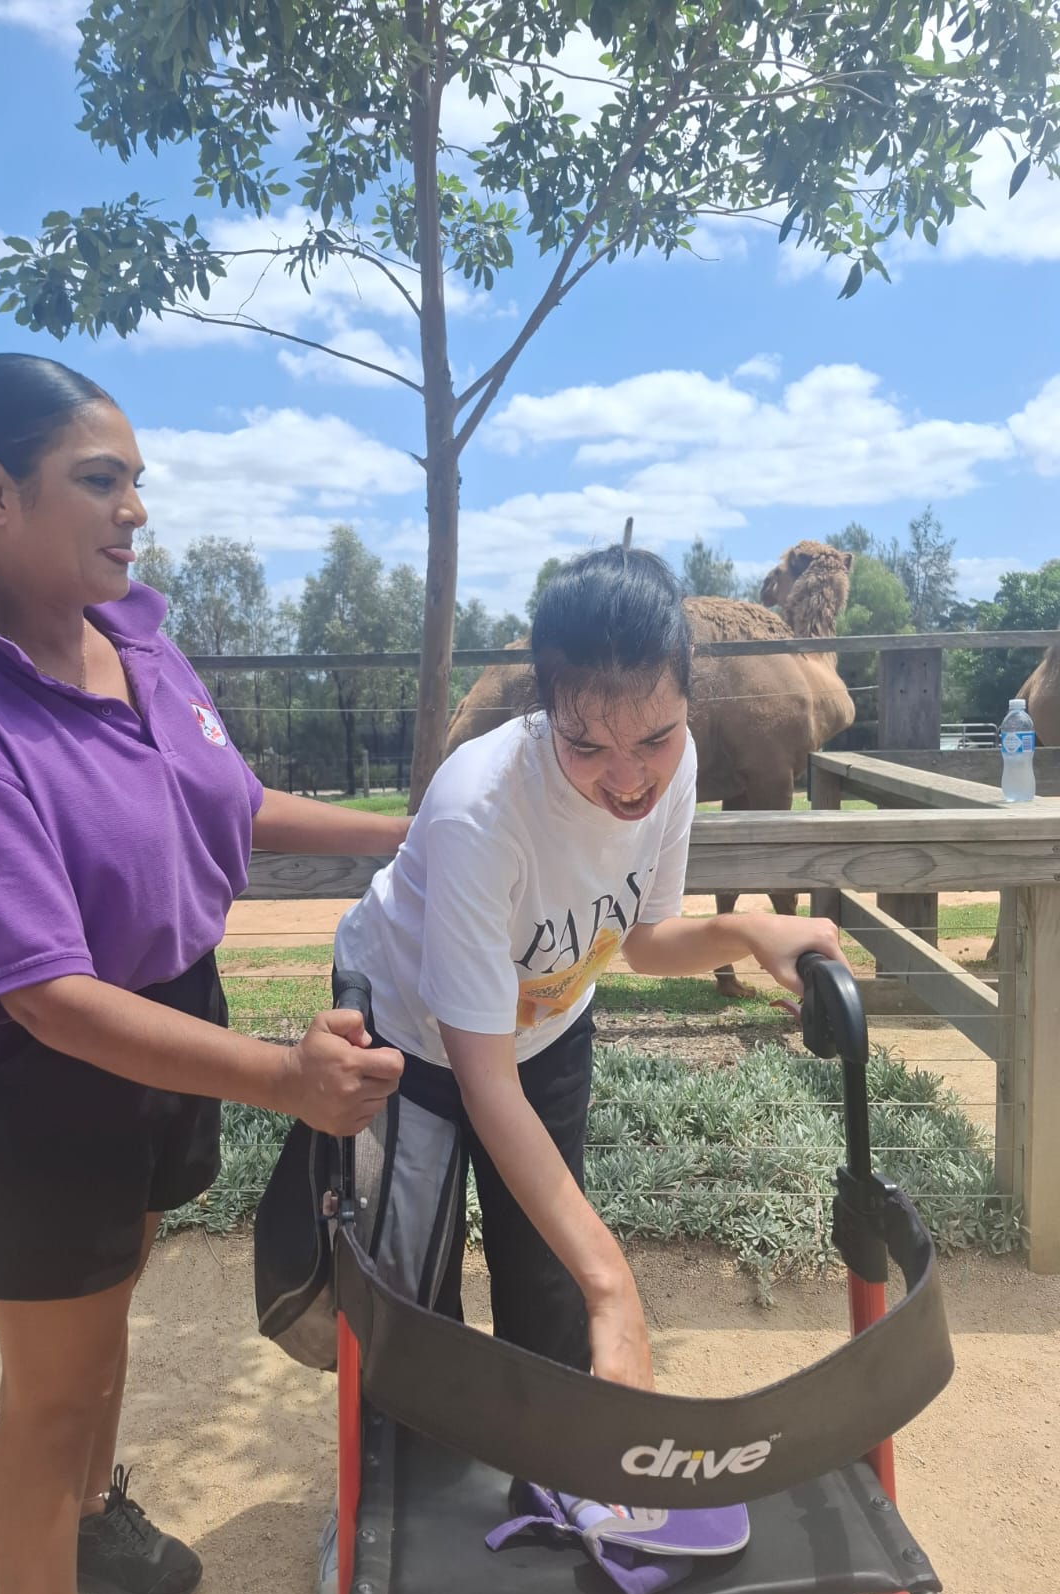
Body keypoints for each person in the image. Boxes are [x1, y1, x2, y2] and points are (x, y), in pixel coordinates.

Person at [0, 353, 405, 1594]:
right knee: (50, 1396)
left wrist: (412, 828)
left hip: (171, 1020)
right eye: (100, 480)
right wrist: (285, 1077)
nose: (136, 510)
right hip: (41, 1079)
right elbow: (44, 994)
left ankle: (97, 1524)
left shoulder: (134, 639)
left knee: (111, 1306)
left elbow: (233, 801)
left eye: (136, 481)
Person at [335, 545, 848, 1391]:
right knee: (410, 1295)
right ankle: (400, 1490)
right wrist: (617, 1286)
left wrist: (749, 931)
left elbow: (644, 938)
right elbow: (482, 1079)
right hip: (409, 1038)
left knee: (550, 1279)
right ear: (544, 709)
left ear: (689, 697)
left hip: (547, 1028)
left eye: (655, 736)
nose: (629, 778)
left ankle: (559, 1481)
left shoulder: (675, 767)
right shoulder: (480, 810)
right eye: (585, 744)